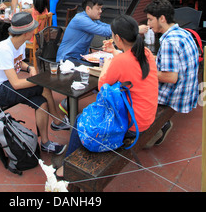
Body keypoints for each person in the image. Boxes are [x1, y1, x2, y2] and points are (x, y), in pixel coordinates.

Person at [56, 15, 158, 178]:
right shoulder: (144, 52)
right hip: (147, 116)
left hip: (132, 125)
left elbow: (102, 86)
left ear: (117, 38)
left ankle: (67, 167)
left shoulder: (121, 61)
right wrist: (114, 51)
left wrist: (107, 64)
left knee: (80, 120)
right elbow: (129, 61)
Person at [0, 12, 69, 155]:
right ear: (25, 33)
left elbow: (18, 62)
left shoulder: (19, 43)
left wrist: (30, 67)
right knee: (43, 86)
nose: (35, 30)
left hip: (6, 84)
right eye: (32, 29)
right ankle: (57, 121)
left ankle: (46, 143)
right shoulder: (4, 49)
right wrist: (37, 81)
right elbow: (16, 84)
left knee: (41, 101)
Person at [144, 0, 199, 145]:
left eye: (150, 20)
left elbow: (170, 77)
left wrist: (144, 72)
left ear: (162, 18)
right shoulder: (183, 33)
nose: (148, 24)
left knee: (131, 87)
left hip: (175, 95)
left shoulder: (168, 41)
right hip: (188, 91)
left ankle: (154, 127)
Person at [56, 0, 148, 66]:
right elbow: (104, 31)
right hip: (67, 59)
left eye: (101, 8)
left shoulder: (92, 19)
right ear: (88, 9)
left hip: (80, 57)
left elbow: (107, 27)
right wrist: (135, 29)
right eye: (98, 8)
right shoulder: (81, 19)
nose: (100, 11)